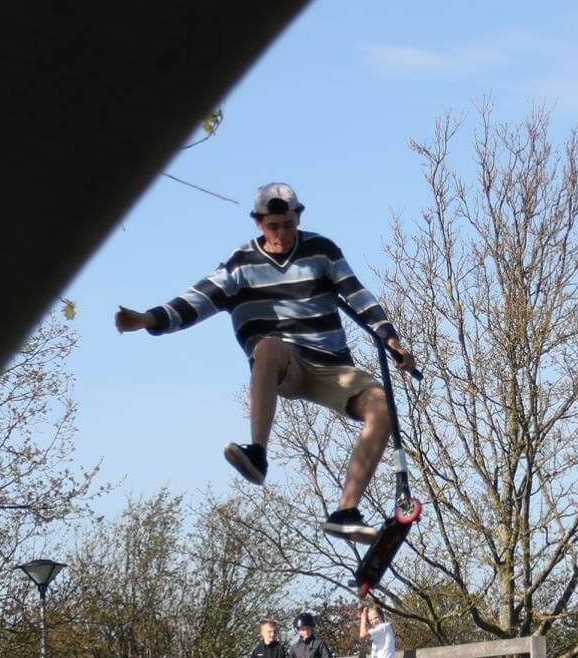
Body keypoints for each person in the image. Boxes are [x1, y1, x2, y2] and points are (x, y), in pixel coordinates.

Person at [112, 181, 418, 542]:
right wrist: (148, 320)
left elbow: (357, 294)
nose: (282, 234)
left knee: (382, 404)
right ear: (258, 223)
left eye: (288, 225)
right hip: (283, 365)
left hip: (331, 365)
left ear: (298, 218)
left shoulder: (322, 251)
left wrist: (391, 339)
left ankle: (345, 511)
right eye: (273, 226)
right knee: (270, 347)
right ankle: (258, 454)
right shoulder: (241, 265)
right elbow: (196, 299)